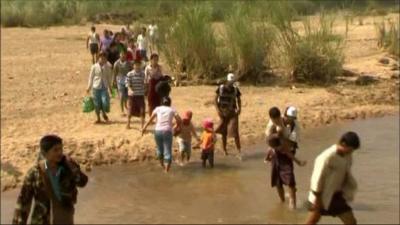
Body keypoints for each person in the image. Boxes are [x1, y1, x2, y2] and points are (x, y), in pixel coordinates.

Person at [12, 135, 88, 225]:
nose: (60, 153)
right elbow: (23, 203)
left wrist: (72, 167)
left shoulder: (68, 168)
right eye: (55, 150)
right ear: (44, 153)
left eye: (61, 149)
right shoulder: (35, 173)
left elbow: (82, 182)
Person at [305, 132, 360, 225]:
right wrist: (318, 200)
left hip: (336, 196)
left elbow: (346, 172)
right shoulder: (326, 157)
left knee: (351, 222)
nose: (351, 152)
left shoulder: (347, 156)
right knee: (312, 221)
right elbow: (316, 179)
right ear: (343, 144)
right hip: (321, 196)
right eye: (350, 150)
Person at [264, 134, 306, 210]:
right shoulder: (270, 150)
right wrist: (268, 160)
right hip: (276, 168)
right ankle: (282, 200)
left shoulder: (283, 149)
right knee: (278, 184)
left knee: (291, 183)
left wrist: (299, 162)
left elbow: (291, 156)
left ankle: (292, 203)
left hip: (286, 167)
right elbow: (266, 159)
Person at [142, 97, 181, 173]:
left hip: (158, 131)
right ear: (169, 103)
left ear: (162, 103)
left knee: (160, 149)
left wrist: (144, 128)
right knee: (167, 151)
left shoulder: (158, 109)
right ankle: (166, 171)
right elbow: (179, 121)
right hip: (167, 132)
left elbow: (150, 119)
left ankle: (162, 166)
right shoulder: (172, 109)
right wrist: (175, 127)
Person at [215, 73, 242, 159]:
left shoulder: (235, 89)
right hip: (223, 112)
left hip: (232, 112)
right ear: (227, 81)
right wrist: (218, 110)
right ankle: (224, 150)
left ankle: (239, 151)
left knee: (235, 131)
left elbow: (239, 99)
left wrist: (239, 108)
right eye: (230, 81)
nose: (231, 83)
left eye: (232, 81)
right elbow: (215, 99)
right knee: (223, 131)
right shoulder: (221, 88)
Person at [86, 51, 113, 124]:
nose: (102, 60)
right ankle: (98, 118)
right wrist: (89, 87)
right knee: (96, 104)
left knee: (104, 102)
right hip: (96, 87)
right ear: (98, 58)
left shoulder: (108, 66)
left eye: (104, 58)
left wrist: (110, 88)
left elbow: (109, 77)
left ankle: (103, 113)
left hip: (104, 87)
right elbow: (91, 77)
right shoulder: (94, 66)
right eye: (101, 58)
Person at [126, 60, 146, 129]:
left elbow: (144, 83)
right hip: (132, 96)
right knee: (130, 110)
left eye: (138, 65)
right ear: (133, 66)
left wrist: (145, 89)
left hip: (140, 95)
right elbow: (127, 84)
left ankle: (142, 126)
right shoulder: (130, 74)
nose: (137, 66)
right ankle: (128, 124)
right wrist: (130, 89)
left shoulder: (143, 74)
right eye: (136, 65)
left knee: (142, 110)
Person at [113, 50, 132, 116]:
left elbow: (131, 72)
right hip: (120, 81)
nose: (123, 56)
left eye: (124, 54)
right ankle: (122, 110)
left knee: (127, 96)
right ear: (119, 55)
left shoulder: (129, 63)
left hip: (127, 81)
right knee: (121, 96)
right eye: (122, 54)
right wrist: (114, 81)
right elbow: (115, 73)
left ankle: (126, 105)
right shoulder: (116, 63)